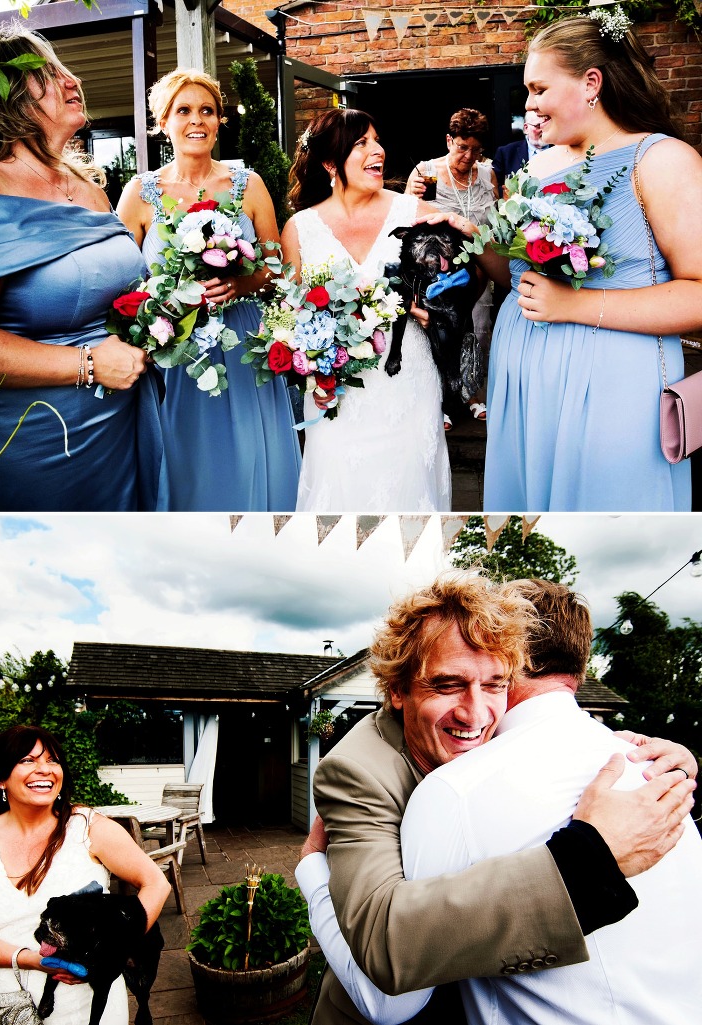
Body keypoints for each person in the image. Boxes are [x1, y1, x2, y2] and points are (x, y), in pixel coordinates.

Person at [296, 575, 696, 1025]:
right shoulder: (357, 770)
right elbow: (385, 985)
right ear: (398, 690)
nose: (476, 713)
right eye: (446, 685)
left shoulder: (488, 743)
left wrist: (642, 753)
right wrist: (312, 867)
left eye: (495, 684)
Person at [450, 13, 702, 511]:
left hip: (613, 375)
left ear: (591, 83)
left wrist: (573, 305)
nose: (529, 104)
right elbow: (522, 277)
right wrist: (474, 239)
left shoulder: (661, 159)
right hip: (524, 374)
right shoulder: (539, 165)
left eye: (539, 88)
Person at [0, 25, 163, 512]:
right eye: (49, 73)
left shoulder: (88, 187)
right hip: (34, 435)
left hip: (120, 421)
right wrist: (88, 366)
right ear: (7, 94)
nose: (71, 79)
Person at [116, 69, 301, 511]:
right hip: (176, 349)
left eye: (207, 111)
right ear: (163, 123)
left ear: (219, 122)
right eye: (184, 111)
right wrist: (169, 298)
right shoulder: (139, 194)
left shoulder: (248, 184)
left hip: (242, 341)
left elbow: (276, 267)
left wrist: (238, 283)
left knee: (251, 451)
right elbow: (122, 283)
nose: (197, 120)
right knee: (188, 460)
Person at [280, 108, 451, 512]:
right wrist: (311, 369)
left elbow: (458, 289)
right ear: (328, 163)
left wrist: (434, 308)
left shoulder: (417, 215)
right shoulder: (301, 229)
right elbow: (289, 318)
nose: (378, 150)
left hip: (407, 381)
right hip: (335, 394)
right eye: (361, 143)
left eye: (376, 140)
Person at [0, 725, 171, 1024]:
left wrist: (114, 949)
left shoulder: (87, 827)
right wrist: (31, 959)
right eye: (28, 760)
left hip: (87, 1010)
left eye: (52, 760)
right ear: (1, 778)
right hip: (7, 1008)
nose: (45, 769)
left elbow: (156, 883)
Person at [405, 109, 498, 428]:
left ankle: (473, 395)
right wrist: (410, 195)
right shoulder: (425, 172)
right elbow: (405, 219)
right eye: (462, 147)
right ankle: (439, 400)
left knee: (478, 329)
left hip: (480, 269)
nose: (469, 155)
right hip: (439, 274)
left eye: (476, 149)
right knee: (441, 331)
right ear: (449, 140)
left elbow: (496, 218)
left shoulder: (488, 175)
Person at [492, 111, 550, 194]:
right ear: (526, 128)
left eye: (547, 126)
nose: (543, 130)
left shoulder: (562, 150)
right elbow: (494, 186)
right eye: (538, 126)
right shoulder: (506, 153)